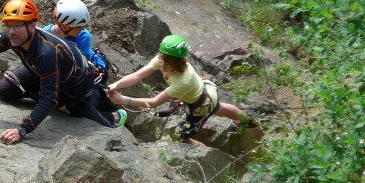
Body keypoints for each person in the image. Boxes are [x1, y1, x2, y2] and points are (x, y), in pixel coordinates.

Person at [0, 0, 126, 145]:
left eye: (17, 27)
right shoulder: (13, 37)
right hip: (42, 71)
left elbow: (49, 98)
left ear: (32, 26)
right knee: (5, 90)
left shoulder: (47, 52)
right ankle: (58, 100)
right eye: (8, 26)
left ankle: (114, 118)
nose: (11, 32)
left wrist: (23, 129)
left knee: (81, 114)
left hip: (77, 87)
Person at [106, 34, 259, 144]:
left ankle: (203, 150)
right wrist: (116, 85)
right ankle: (248, 121)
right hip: (205, 90)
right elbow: (138, 76)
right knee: (218, 107)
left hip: (201, 104)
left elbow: (154, 103)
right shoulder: (162, 59)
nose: (164, 64)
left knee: (181, 136)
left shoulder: (183, 81)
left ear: (179, 61)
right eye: (163, 58)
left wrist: (123, 99)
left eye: (170, 61)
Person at [44, 0, 119, 114]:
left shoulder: (83, 36)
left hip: (93, 72)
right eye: (79, 26)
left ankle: (113, 113)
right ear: (65, 26)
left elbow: (81, 67)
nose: (83, 28)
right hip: (66, 71)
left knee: (81, 108)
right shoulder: (46, 33)